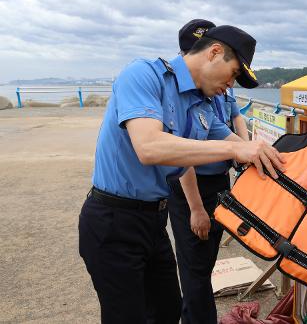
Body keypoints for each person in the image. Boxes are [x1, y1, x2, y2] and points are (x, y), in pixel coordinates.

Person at [78, 23, 285, 324]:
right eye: (233, 74)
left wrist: (272, 158)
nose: (231, 85)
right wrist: (233, 152)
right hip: (114, 220)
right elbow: (149, 147)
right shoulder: (144, 75)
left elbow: (235, 143)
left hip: (154, 220)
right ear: (215, 52)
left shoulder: (200, 104)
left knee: (167, 310)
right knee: (126, 316)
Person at [167, 20, 250, 324]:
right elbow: (182, 152)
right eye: (232, 76)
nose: (229, 84)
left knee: (204, 260)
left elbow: (233, 122)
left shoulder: (212, 94)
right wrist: (196, 208)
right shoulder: (181, 93)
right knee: (194, 269)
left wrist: (246, 150)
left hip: (217, 181)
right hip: (191, 185)